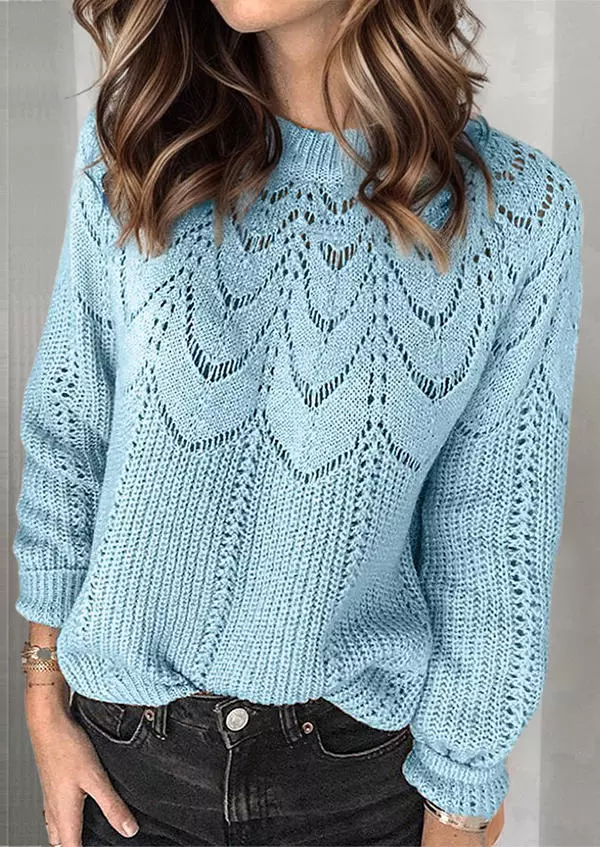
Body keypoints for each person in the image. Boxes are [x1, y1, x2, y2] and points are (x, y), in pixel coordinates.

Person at [13, 0, 584, 845]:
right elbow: (71, 429)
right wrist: (41, 695)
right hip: (127, 764)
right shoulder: (138, 142)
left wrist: (460, 798)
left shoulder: (519, 212)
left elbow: (493, 535)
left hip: (353, 782)